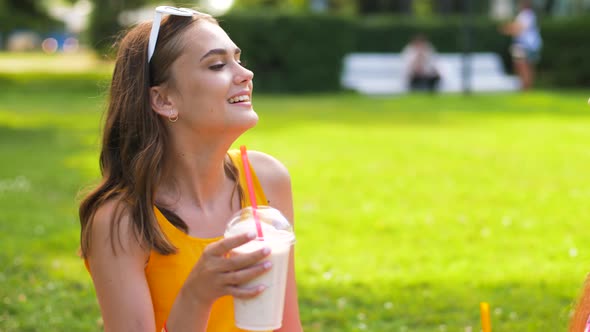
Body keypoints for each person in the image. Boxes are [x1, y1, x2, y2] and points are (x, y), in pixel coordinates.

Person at [78, 6, 302, 332]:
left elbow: (288, 326)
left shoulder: (268, 180)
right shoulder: (123, 220)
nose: (245, 73)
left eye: (238, 59)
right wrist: (197, 295)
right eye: (217, 65)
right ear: (164, 100)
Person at [500, 0, 542, 91]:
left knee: (524, 67)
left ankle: (526, 88)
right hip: (525, 45)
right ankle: (525, 87)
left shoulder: (527, 15)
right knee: (522, 66)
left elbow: (519, 28)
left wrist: (507, 29)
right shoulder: (524, 15)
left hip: (524, 45)